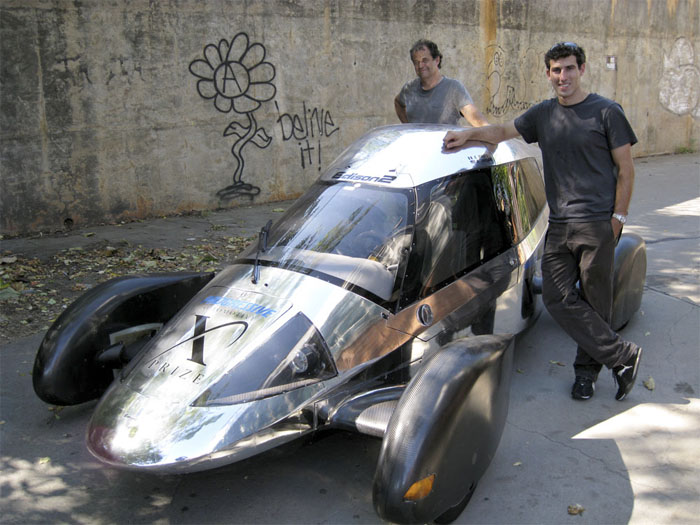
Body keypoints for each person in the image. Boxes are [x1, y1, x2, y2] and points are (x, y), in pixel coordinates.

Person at [443, 42, 642, 401]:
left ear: (582, 69)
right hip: (561, 224)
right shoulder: (543, 114)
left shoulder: (607, 112)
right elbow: (502, 131)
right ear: (548, 74)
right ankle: (622, 356)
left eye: (568, 68)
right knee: (556, 296)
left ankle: (586, 373)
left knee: (596, 302)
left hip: (597, 223)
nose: (562, 77)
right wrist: (468, 134)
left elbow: (626, 171)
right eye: (555, 70)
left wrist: (617, 220)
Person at [395, 39, 489, 127]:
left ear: (437, 60)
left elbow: (477, 120)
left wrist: (490, 134)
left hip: (445, 144)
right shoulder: (409, 88)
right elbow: (398, 102)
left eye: (425, 60)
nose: (420, 65)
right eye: (416, 62)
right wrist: (408, 126)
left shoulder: (453, 88)